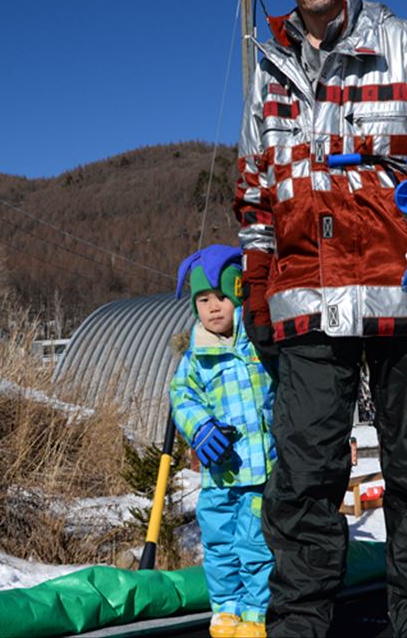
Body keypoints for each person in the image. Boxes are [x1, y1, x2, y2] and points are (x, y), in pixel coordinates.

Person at [234, 0, 407, 638]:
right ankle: (297, 627)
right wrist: (258, 296)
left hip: (404, 294)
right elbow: (256, 199)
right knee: (303, 480)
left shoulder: (405, 44)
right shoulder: (267, 76)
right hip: (305, 300)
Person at [170, 244, 277, 638]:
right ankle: (226, 612)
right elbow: (181, 396)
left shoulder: (259, 344)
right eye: (203, 300)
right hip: (218, 477)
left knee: (255, 547)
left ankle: (255, 614)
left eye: (221, 298)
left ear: (238, 294)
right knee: (218, 546)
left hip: (258, 472)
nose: (213, 308)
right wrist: (199, 427)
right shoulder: (196, 357)